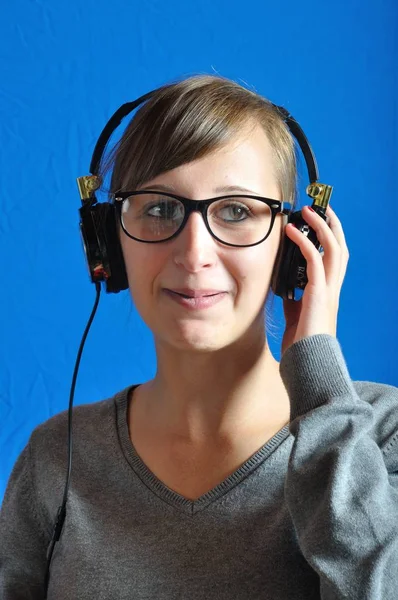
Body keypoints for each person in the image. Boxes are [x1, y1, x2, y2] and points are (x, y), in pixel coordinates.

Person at [1, 74, 398, 600]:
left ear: (295, 244)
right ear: (108, 245)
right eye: (160, 208)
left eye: (236, 211)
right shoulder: (55, 459)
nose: (193, 254)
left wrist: (320, 386)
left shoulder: (380, 435)